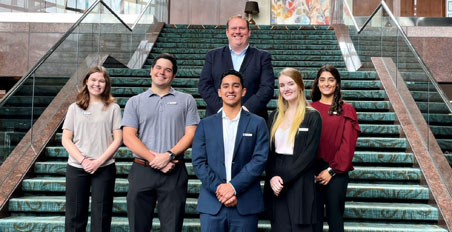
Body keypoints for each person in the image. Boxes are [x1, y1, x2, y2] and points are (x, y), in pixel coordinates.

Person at [122, 53, 200, 232]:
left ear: (173, 75)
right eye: (158, 68)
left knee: (172, 227)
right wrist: (155, 159)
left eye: (168, 70)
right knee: (138, 227)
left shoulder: (186, 100)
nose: (162, 72)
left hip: (174, 170)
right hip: (142, 170)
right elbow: (128, 137)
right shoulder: (135, 102)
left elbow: (191, 134)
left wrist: (168, 156)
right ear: (151, 71)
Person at [192, 69, 269, 232]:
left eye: (235, 86)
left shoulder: (258, 123)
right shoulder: (205, 124)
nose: (231, 90)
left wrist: (233, 187)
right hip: (212, 204)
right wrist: (220, 189)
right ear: (219, 92)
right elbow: (199, 162)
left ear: (244, 91)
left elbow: (259, 160)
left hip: (246, 204)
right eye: (226, 86)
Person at [62, 66, 123, 232]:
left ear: (106, 84)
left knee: (102, 215)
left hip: (104, 167)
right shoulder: (74, 108)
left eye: (101, 81)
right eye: (94, 80)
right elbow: (66, 139)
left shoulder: (113, 108)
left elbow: (118, 139)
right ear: (86, 81)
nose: (97, 84)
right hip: (77, 167)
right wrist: (83, 160)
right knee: (74, 215)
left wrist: (98, 162)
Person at [264, 68, 323, 231]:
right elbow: (267, 152)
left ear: (300, 86)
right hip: (276, 181)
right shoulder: (274, 116)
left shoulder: (313, 116)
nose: (286, 89)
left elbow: (308, 155)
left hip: (300, 180)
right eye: (282, 85)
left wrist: (282, 178)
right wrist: (272, 177)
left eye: (290, 84)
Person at [311, 65, 361, 232]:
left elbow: (347, 146)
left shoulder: (347, 109)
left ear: (337, 84)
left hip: (337, 171)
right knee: (313, 219)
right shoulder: (309, 109)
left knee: (335, 218)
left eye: (331, 80)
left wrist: (332, 171)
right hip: (312, 172)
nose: (326, 84)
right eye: (322, 80)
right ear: (317, 83)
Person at [198, 15, 275, 120]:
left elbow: (267, 88)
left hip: (252, 118)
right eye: (233, 28)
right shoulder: (213, 56)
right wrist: (224, 109)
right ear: (227, 32)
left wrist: (246, 109)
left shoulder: (262, 57)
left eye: (242, 28)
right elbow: (204, 85)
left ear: (249, 32)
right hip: (218, 118)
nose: (237, 31)